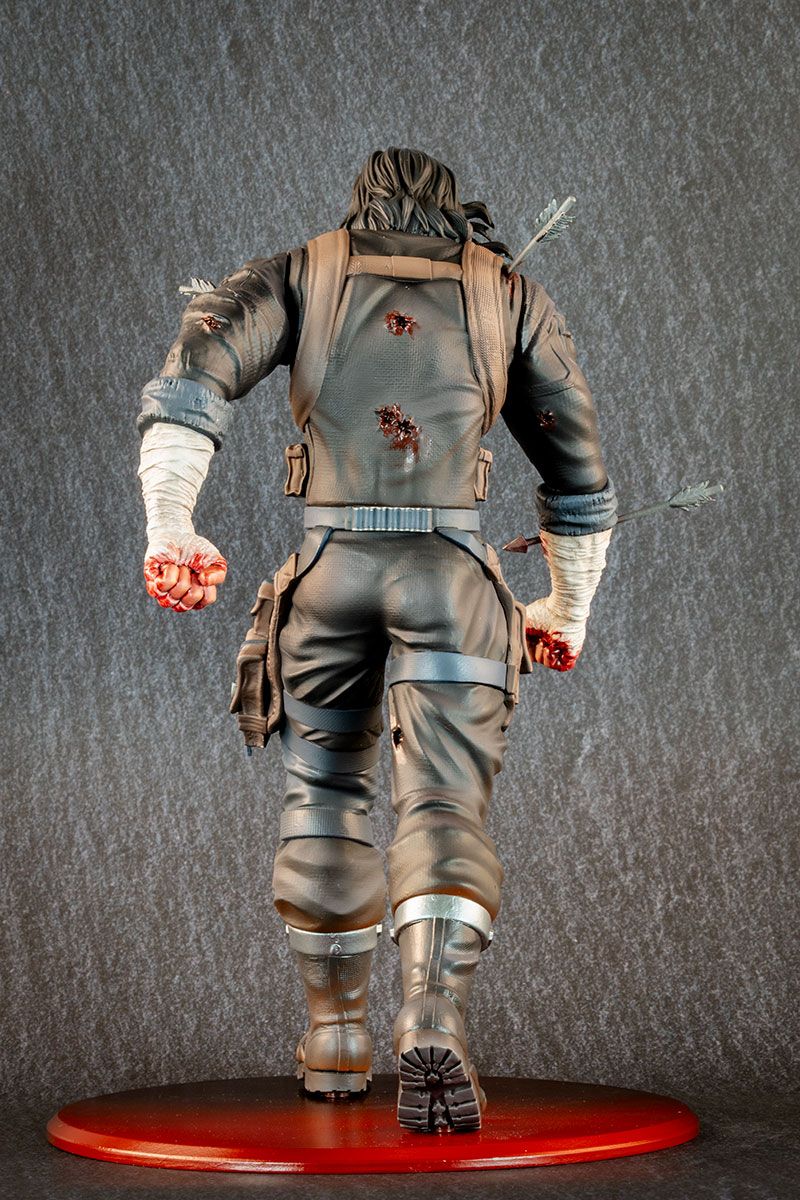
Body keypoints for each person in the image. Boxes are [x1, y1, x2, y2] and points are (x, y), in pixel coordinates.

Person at [136, 147, 617, 1133]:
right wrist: (564, 608)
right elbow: (576, 473)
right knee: (443, 800)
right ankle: (432, 1017)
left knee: (322, 796)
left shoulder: (299, 273)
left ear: (363, 208)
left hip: (329, 575)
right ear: (452, 214)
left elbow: (191, 379)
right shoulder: (507, 293)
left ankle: (335, 1040)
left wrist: (171, 525)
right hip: (452, 578)